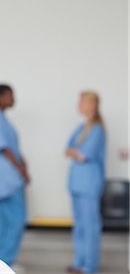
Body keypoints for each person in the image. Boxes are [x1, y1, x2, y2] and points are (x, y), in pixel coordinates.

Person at [0, 84, 29, 267]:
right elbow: (4, 149)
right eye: (11, 95)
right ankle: (6, 261)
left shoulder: (2, 119)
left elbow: (13, 148)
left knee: (6, 221)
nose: (13, 99)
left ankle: (3, 262)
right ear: (1, 97)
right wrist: (21, 168)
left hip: (7, 180)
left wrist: (23, 164)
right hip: (8, 180)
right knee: (15, 220)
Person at [65, 91, 106, 274]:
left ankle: (90, 267)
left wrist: (75, 152)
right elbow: (67, 149)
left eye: (81, 102)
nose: (78, 105)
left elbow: (81, 156)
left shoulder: (97, 129)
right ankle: (79, 264)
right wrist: (74, 152)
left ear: (91, 105)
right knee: (80, 226)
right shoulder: (82, 127)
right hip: (77, 184)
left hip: (89, 184)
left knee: (90, 227)